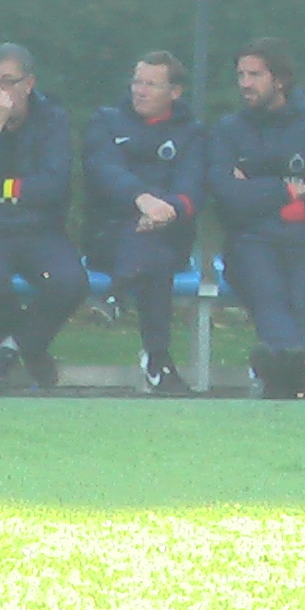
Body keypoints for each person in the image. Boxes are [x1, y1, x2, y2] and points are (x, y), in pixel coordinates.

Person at [208, 38, 305, 400]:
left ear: (280, 80)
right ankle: (294, 372)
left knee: (303, 300)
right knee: (268, 292)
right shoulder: (228, 130)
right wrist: (286, 191)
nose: (245, 84)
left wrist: (258, 194)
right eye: (241, 75)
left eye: (254, 75)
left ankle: (279, 372)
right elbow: (226, 196)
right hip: (250, 241)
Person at [0, 42, 89, 393]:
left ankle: (9, 350)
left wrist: (0, 188)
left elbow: (54, 185)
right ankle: (32, 351)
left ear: (28, 84)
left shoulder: (52, 118)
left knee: (70, 281)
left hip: (39, 227)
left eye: (8, 81)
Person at [84, 51, 207, 395]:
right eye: (137, 82)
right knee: (155, 257)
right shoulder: (106, 121)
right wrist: (141, 198)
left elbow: (192, 188)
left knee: (157, 251)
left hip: (167, 233)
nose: (139, 90)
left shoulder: (192, 133)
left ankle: (118, 293)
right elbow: (102, 171)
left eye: (151, 84)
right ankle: (158, 361)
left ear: (175, 92)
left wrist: (165, 210)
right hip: (108, 237)